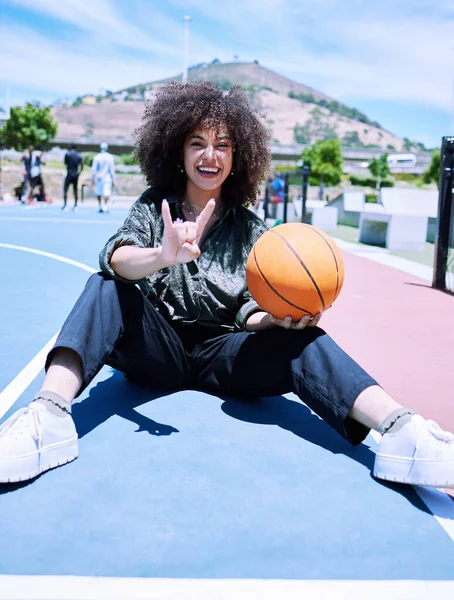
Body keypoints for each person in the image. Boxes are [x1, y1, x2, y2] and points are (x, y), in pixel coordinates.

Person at [0, 81, 452, 487]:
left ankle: (400, 431)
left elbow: (249, 312)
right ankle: (49, 416)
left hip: (224, 354)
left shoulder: (254, 232)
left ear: (238, 158)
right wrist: (162, 255)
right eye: (197, 143)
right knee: (104, 286)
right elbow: (116, 258)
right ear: (178, 152)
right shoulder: (154, 206)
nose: (209, 155)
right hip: (155, 348)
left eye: (222, 144)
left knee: (305, 339)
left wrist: (277, 318)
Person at [91, 142, 115, 213]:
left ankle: (100, 206)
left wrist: (92, 179)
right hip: (107, 178)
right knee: (106, 192)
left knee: (99, 192)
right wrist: (113, 179)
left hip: (99, 177)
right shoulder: (110, 157)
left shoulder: (97, 157)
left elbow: (94, 170)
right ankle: (105, 205)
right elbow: (112, 170)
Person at [62, 144, 83, 212]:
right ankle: (75, 205)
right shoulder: (78, 155)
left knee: (65, 189)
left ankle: (65, 205)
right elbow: (82, 165)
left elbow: (65, 163)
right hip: (75, 174)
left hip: (69, 174)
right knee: (75, 190)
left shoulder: (67, 154)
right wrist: (79, 172)